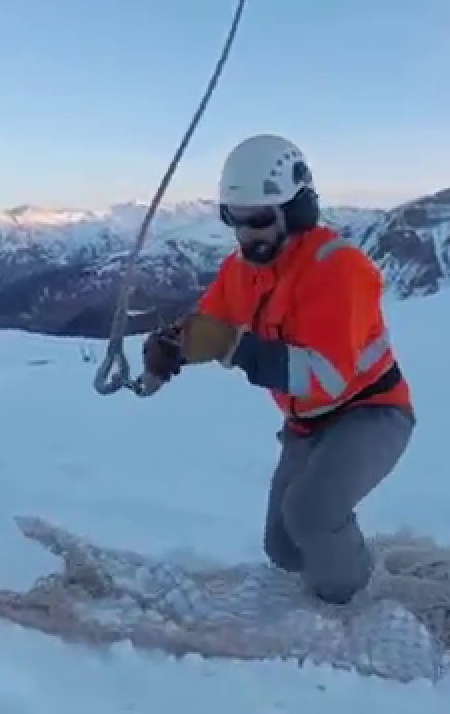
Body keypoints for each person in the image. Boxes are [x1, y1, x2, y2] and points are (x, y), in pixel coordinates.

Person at [141, 134, 415, 607]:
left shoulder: (338, 270)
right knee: (284, 548)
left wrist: (234, 348)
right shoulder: (243, 268)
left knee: (310, 515)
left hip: (369, 412)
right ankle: (341, 559)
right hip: (306, 424)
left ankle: (362, 605)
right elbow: (212, 323)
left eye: (260, 220)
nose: (247, 234)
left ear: (299, 210)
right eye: (235, 220)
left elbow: (325, 377)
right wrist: (172, 348)